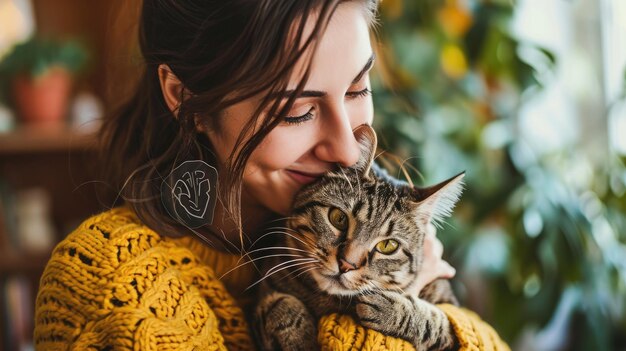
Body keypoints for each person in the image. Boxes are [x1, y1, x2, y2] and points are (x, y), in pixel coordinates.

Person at [34, 1, 510, 350]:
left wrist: (422, 313)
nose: (346, 148)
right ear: (187, 99)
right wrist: (380, 314)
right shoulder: (114, 283)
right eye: (298, 111)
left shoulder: (373, 216)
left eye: (358, 88)